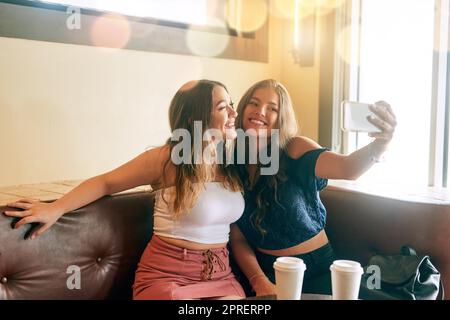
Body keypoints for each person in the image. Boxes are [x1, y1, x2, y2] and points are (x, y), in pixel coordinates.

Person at [4, 80, 246, 300]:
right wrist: (55, 208)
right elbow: (106, 182)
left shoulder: (230, 161)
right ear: (198, 116)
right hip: (169, 277)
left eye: (231, 104)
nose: (235, 113)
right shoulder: (168, 159)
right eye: (223, 107)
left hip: (220, 276)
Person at [230, 79, 397, 297]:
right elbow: (238, 237)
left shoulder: (294, 148)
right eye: (254, 103)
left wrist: (381, 144)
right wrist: (259, 281)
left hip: (319, 269)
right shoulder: (231, 163)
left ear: (281, 118)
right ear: (243, 109)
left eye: (272, 108)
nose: (260, 111)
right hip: (268, 274)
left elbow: (348, 168)